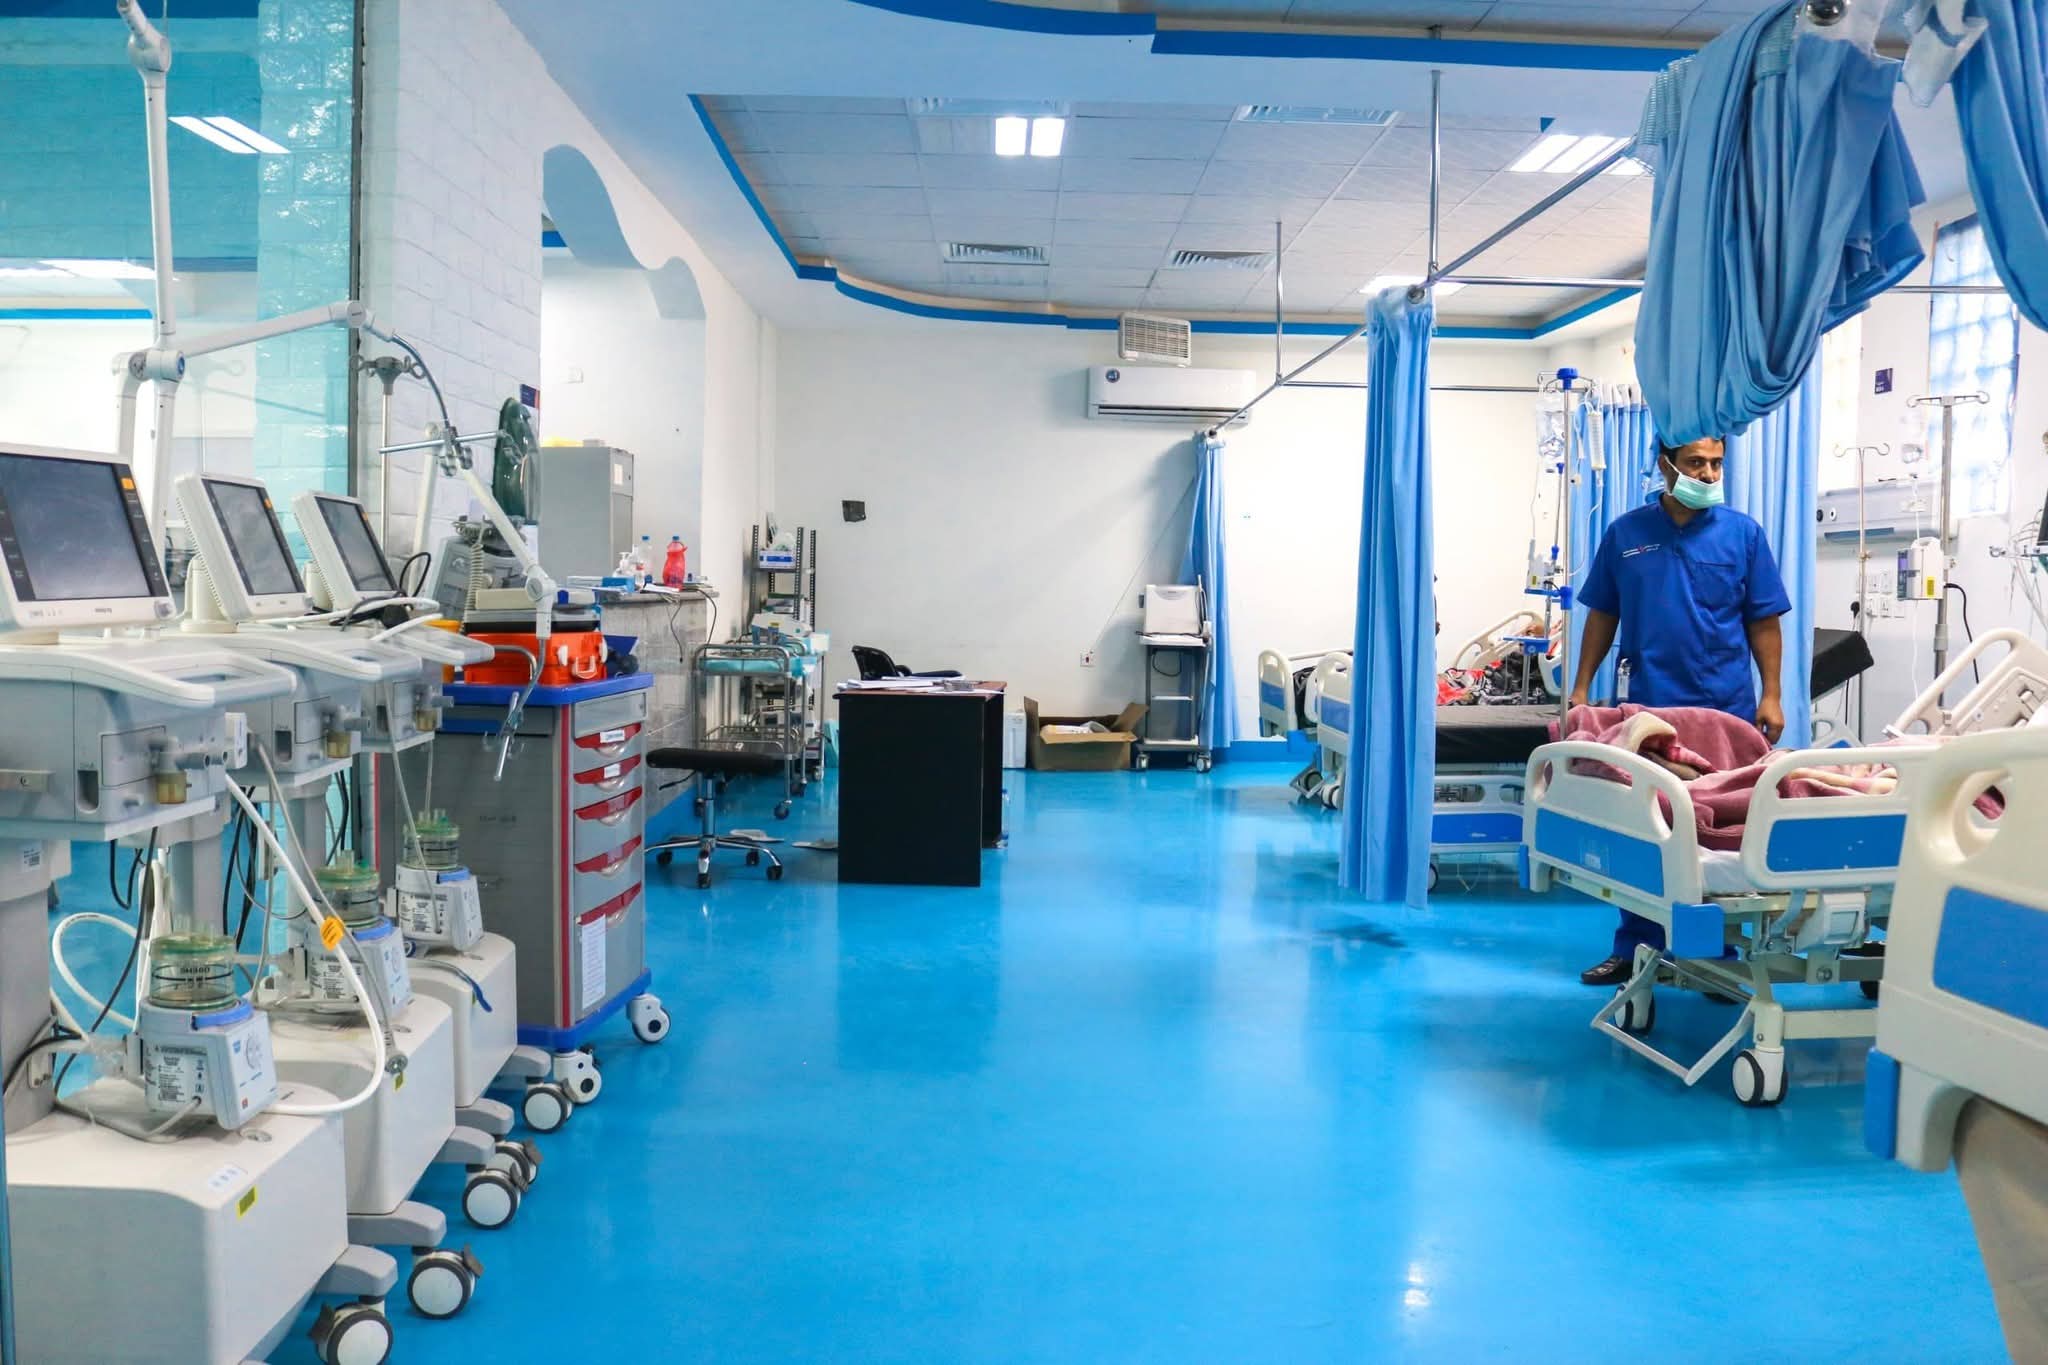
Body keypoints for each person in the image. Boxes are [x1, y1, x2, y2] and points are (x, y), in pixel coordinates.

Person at [1569, 434, 1792, 987]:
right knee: (1644, 825)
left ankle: (1714, 954)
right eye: (1696, 463)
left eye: (1716, 463)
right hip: (1650, 703)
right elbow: (1603, 614)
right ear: (1666, 465)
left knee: (1718, 827)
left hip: (1724, 706)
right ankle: (1636, 946)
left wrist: (1771, 693)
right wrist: (1581, 687)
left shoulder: (1743, 535)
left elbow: (1763, 620)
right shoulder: (1626, 535)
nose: (1709, 474)